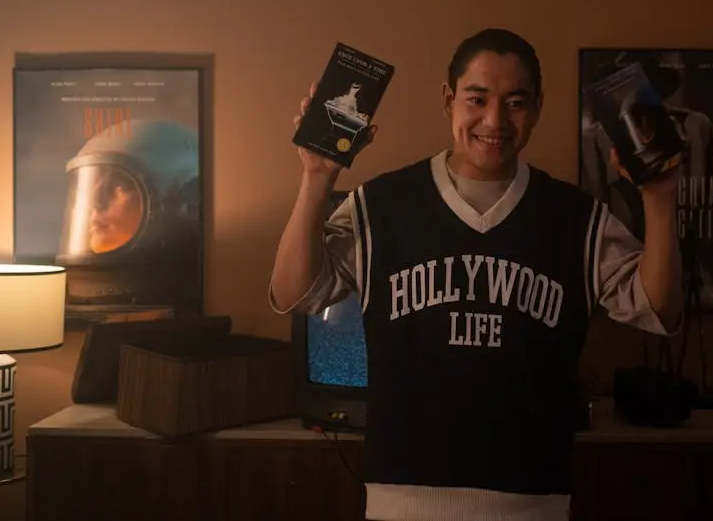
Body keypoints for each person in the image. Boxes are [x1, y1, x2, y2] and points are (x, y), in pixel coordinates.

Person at [270, 28, 684, 521]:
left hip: (534, 501)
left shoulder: (576, 217)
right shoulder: (382, 205)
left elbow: (660, 310)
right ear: (449, 100)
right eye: (477, 99)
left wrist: (659, 199)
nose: (495, 120)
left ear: (537, 108)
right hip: (402, 500)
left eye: (515, 103)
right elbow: (293, 295)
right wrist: (317, 177)